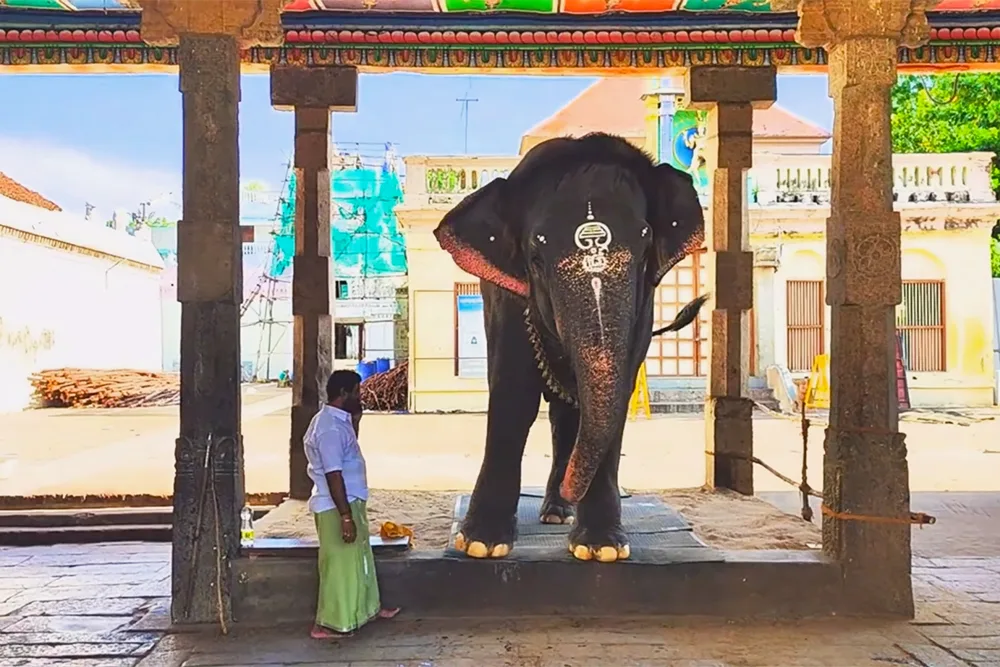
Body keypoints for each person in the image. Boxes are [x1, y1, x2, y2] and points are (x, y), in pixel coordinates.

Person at [303, 369, 399, 639]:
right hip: (336, 505)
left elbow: (349, 452)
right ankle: (328, 624)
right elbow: (334, 474)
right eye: (357, 392)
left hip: (351, 500)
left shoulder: (340, 421)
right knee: (339, 565)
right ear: (343, 394)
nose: (361, 396)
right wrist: (345, 516)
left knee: (358, 559)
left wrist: (356, 420)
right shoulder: (328, 428)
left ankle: (367, 609)